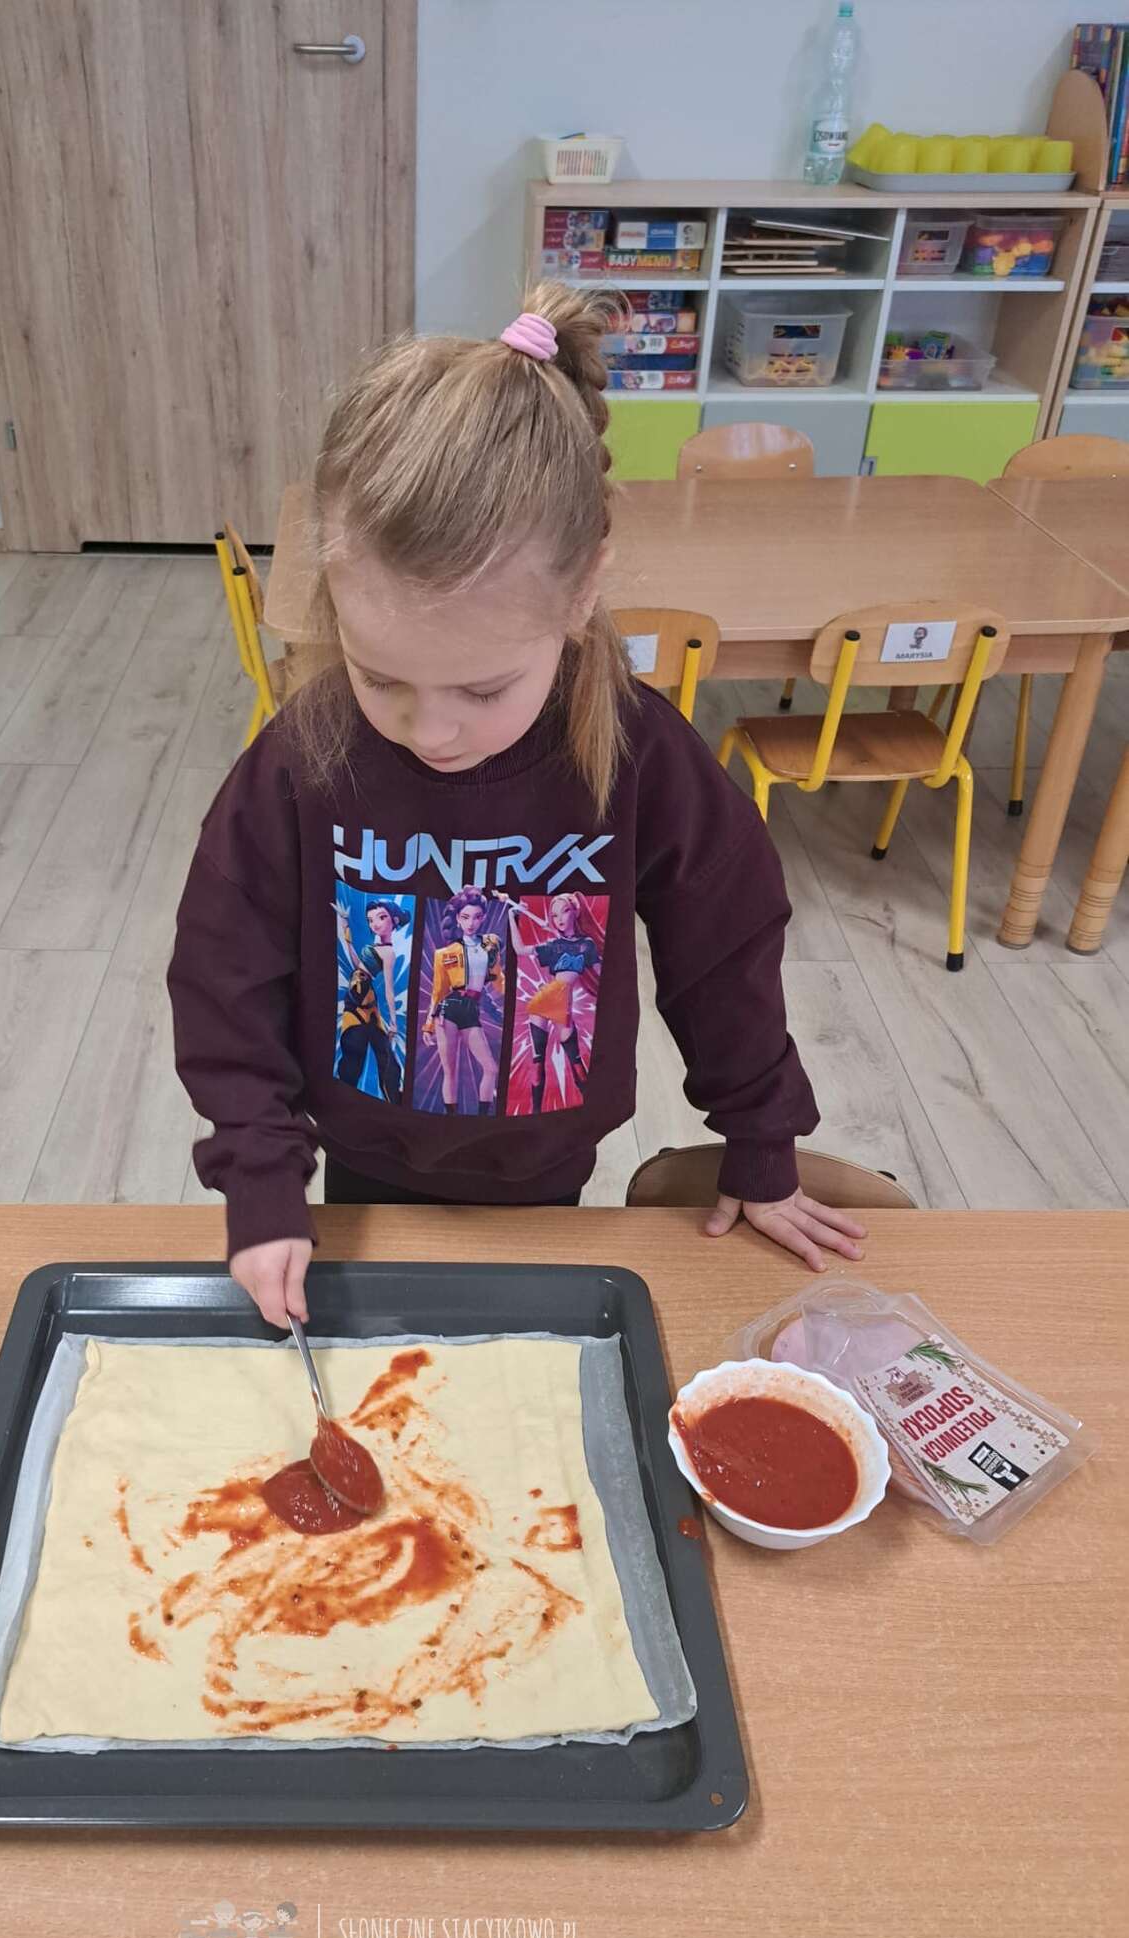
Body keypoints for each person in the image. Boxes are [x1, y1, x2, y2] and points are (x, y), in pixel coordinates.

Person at [169, 283, 866, 1327]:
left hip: (548, 1169)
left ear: (581, 593)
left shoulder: (635, 751)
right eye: (380, 676)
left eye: (484, 689)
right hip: (357, 1165)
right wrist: (260, 1177)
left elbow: (724, 948)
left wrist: (762, 1141)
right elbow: (224, 969)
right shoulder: (304, 754)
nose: (432, 731)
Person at [507, 891, 601, 1112]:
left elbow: (601, 973)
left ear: (575, 912)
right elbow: (520, 950)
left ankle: (589, 1105)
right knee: (537, 1062)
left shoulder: (586, 944)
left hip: (562, 1003)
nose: (559, 919)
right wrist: (512, 916)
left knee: (576, 1061)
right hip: (544, 1001)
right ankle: (536, 1112)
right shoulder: (554, 945)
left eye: (564, 912)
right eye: (554, 915)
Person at [422, 887, 504, 1112]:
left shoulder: (490, 945)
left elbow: (499, 979)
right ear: (458, 918)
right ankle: (451, 1119)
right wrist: (428, 1025)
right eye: (465, 917)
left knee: (491, 1068)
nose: (471, 923)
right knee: (450, 1072)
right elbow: (438, 991)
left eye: (477, 917)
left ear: (483, 918)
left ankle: (481, 1118)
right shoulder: (444, 953)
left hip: (471, 1010)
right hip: (447, 1010)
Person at [334, 897, 407, 1102]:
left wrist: (393, 1021)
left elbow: (389, 989)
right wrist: (346, 931)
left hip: (363, 994)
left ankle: (393, 1098)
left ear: (394, 920)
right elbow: (359, 965)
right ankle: (345, 1096)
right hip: (358, 993)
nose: (375, 924)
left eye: (381, 918)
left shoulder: (389, 952)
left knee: (383, 1055)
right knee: (354, 1051)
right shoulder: (376, 947)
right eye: (370, 920)